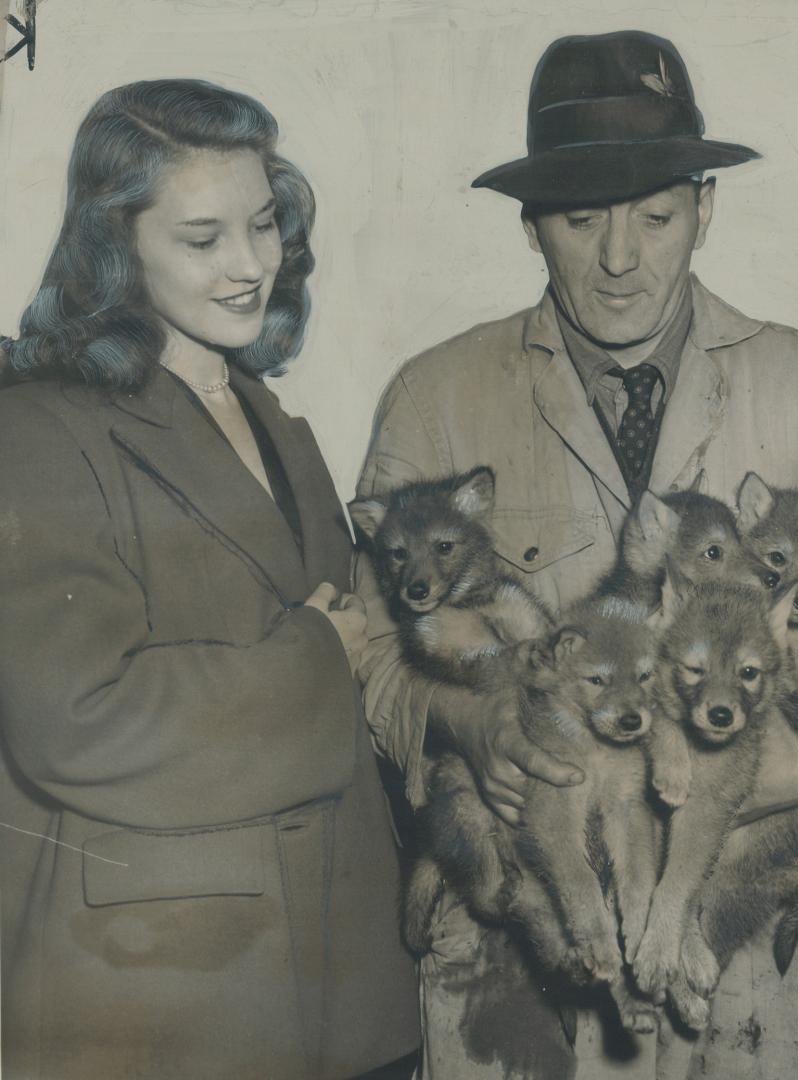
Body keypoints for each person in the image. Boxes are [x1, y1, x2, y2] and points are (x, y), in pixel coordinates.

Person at [351, 30, 798, 1080]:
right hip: (520, 945)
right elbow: (366, 642)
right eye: (582, 221)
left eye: (657, 216)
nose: (621, 259)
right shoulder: (437, 399)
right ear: (534, 226)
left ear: (706, 211)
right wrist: (460, 718)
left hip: (754, 930)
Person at [0, 80, 418, 1079]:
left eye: (264, 224)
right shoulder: (38, 431)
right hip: (163, 1001)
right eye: (203, 238)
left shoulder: (271, 419)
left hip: (333, 991)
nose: (250, 266)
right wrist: (318, 661)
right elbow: (78, 721)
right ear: (117, 245)